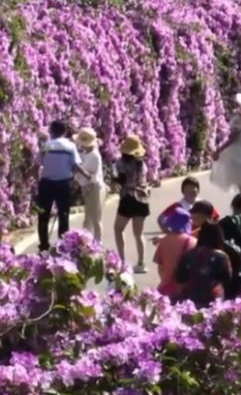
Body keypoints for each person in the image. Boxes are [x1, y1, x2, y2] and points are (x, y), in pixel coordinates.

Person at [36, 120, 92, 253]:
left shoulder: (45, 146)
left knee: (43, 216)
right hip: (63, 184)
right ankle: (62, 246)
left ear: (51, 131)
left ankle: (43, 246)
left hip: (46, 184)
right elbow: (75, 165)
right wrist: (86, 175)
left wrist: (36, 180)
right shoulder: (70, 146)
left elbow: (37, 165)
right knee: (63, 215)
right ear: (65, 132)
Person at [113, 134, 155, 274]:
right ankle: (141, 263)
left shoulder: (121, 163)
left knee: (118, 229)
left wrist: (115, 179)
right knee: (138, 234)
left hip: (128, 198)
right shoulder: (142, 165)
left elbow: (121, 180)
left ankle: (122, 261)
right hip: (142, 199)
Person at [173, 223, 233, 309]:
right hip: (213, 298)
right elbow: (227, 277)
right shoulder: (221, 256)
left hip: (190, 299)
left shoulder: (188, 255)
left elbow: (179, 277)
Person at [153, 206, 196, 299]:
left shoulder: (164, 241)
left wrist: (165, 280)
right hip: (187, 290)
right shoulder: (194, 242)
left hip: (167, 289)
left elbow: (160, 268)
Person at [74, 127, 106, 242]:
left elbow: (91, 176)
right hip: (87, 188)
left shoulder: (94, 156)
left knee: (96, 218)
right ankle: (85, 243)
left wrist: (79, 169)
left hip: (94, 187)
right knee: (88, 218)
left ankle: (98, 243)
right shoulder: (85, 153)